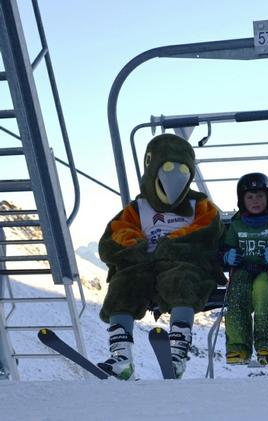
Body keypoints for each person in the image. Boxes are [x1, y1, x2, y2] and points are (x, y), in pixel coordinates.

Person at [98, 134, 226, 380]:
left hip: (180, 263)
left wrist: (174, 244)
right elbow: (116, 234)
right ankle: (121, 356)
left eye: (181, 170)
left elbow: (208, 228)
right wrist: (134, 247)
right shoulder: (138, 208)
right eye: (166, 168)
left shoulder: (198, 205)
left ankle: (178, 352)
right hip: (144, 264)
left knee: (183, 279)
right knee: (124, 284)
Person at [221, 173, 268, 365]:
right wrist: (228, 257)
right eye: (250, 197)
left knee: (263, 290)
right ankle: (238, 347)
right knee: (236, 293)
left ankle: (266, 344)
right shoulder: (237, 226)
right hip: (243, 270)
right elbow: (225, 249)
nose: (255, 201)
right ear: (242, 200)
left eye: (260, 196)